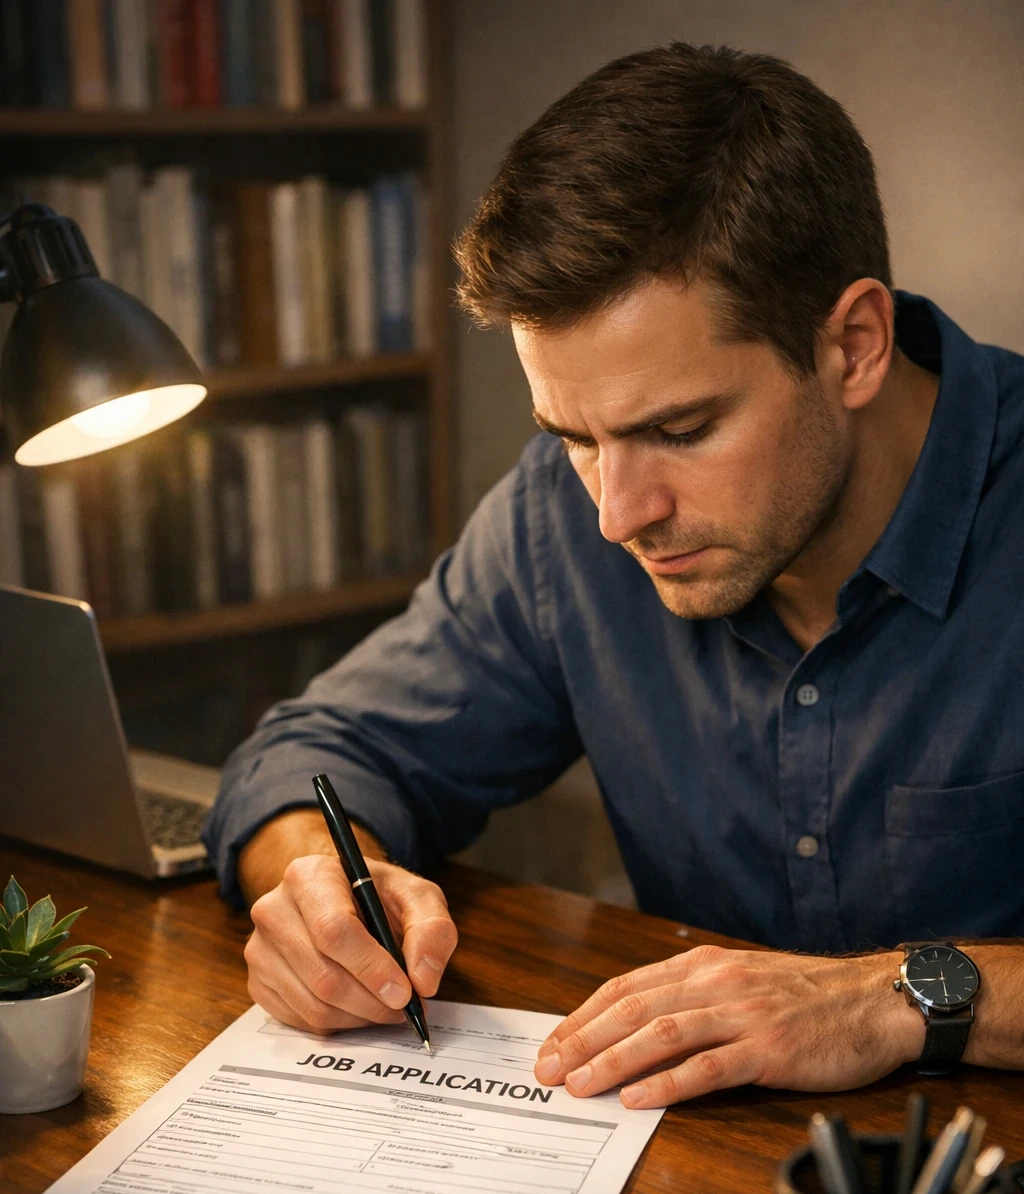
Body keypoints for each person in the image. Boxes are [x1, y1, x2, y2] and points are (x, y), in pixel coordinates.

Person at [205, 42, 1024, 1110]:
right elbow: (322, 751)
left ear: (855, 345)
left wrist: (887, 998)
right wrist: (314, 878)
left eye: (679, 428)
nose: (617, 513)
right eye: (574, 437)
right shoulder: (565, 518)